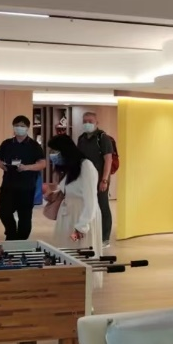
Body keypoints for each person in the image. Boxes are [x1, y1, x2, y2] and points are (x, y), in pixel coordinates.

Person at [44, 135, 102, 286]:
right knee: (66, 250)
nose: (53, 155)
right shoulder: (69, 168)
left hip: (81, 216)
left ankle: (83, 287)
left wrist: (82, 226)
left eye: (55, 151)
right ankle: (68, 284)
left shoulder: (86, 166)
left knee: (81, 252)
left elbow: (91, 200)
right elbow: (70, 189)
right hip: (68, 215)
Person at [0, 116, 47, 241]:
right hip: (8, 185)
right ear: (13, 127)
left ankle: (21, 240)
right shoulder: (7, 144)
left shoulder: (34, 145)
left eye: (22, 126)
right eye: (17, 125)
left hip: (26, 187)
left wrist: (27, 167)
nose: (19, 128)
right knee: (4, 212)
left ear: (27, 128)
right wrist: (2, 165)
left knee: (25, 217)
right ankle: (11, 233)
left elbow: (42, 164)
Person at [76, 112, 115, 246]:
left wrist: (104, 180)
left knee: (103, 206)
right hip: (85, 178)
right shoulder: (81, 138)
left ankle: (105, 238)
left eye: (90, 121)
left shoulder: (103, 138)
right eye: (85, 121)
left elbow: (108, 160)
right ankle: (89, 233)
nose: (87, 124)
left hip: (100, 179)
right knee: (88, 205)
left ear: (96, 123)